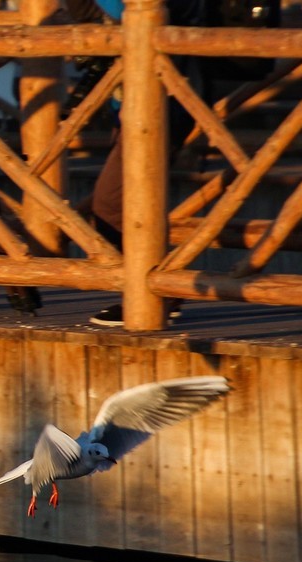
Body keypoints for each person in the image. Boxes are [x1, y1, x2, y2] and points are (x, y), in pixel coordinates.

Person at [74, 0, 203, 326]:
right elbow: (87, 15)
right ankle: (150, 293)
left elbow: (132, 12)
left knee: (109, 204)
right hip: (135, 104)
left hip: (163, 103)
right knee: (122, 204)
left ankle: (153, 294)